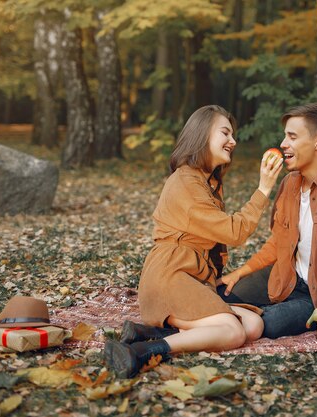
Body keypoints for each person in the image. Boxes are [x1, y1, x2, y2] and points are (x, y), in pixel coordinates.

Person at [104, 105, 283, 378]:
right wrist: (264, 189)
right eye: (225, 132)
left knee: (253, 325)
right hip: (170, 275)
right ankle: (144, 351)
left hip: (191, 278)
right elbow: (234, 232)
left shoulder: (206, 181)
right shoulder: (186, 182)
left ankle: (151, 331)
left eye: (233, 134)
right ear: (201, 135)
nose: (233, 141)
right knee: (234, 332)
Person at [216, 102, 317, 339]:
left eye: (292, 136)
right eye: (285, 136)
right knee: (221, 294)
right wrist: (240, 273)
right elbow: (278, 242)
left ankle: (243, 318)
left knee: (268, 325)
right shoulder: (289, 183)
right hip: (287, 276)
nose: (283, 144)